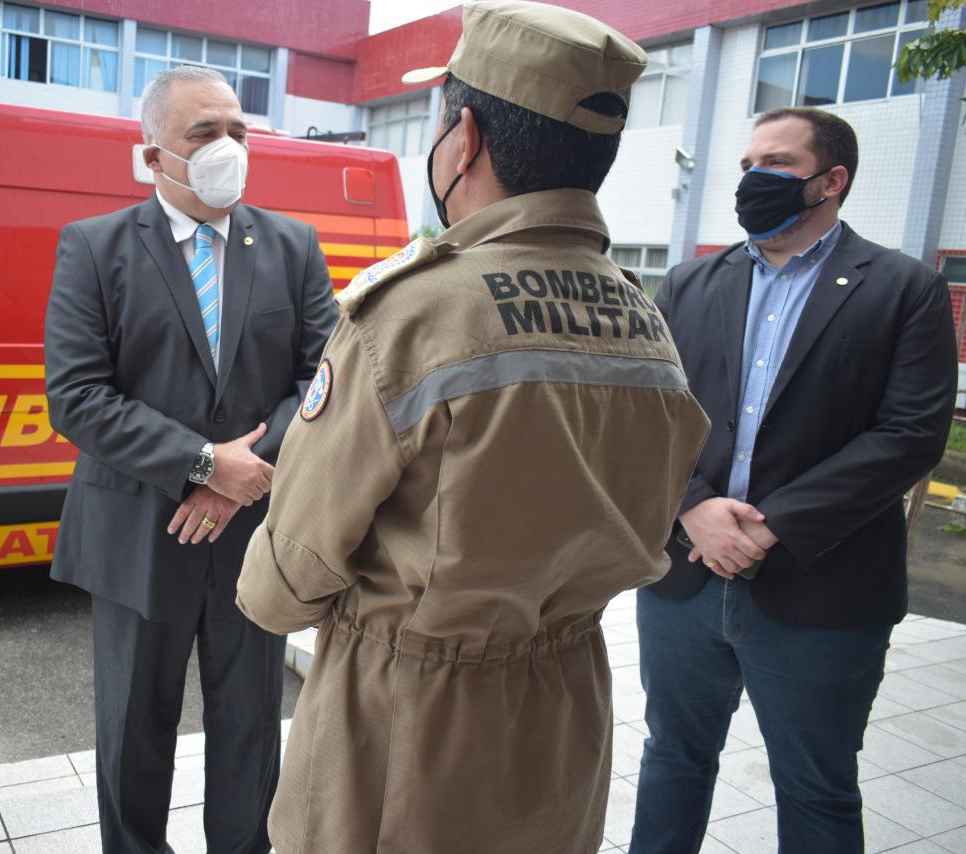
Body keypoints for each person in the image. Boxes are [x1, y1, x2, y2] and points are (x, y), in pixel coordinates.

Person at [234, 3, 711, 852]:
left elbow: (287, 579)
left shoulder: (413, 313)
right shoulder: (646, 319)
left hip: (407, 721)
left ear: (466, 139)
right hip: (566, 710)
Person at [629, 107, 960, 854]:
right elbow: (644, 413)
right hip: (685, 578)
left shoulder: (904, 289)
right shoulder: (687, 284)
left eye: (773, 164)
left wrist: (771, 525)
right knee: (672, 760)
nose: (751, 181)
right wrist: (696, 509)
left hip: (823, 588)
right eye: (746, 165)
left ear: (830, 181)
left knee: (816, 787)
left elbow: (910, 436)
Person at [44, 66, 337, 854]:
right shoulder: (96, 248)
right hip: (140, 536)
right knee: (135, 735)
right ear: (152, 157)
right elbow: (76, 396)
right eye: (204, 133)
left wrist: (240, 478)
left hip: (254, 536)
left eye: (238, 130)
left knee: (250, 733)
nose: (227, 147)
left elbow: (327, 380)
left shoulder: (291, 244)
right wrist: (204, 465)